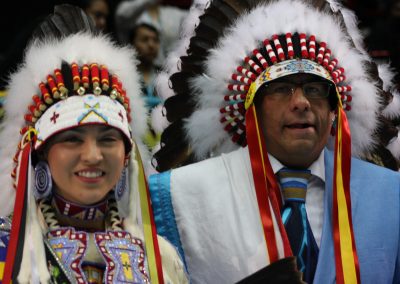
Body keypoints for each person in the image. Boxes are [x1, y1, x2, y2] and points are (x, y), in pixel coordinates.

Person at [148, 0, 400, 283]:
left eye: (315, 88)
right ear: (251, 109)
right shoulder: (183, 197)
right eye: (281, 88)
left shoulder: (390, 197)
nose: (301, 102)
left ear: (334, 111)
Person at [0, 5, 187, 284]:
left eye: (108, 138)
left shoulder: (159, 259)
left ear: (127, 153)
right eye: (72, 139)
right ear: (40, 152)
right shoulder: (8, 254)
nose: (93, 155)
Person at [115, 0, 188, 66]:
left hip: (165, 71)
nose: (151, 45)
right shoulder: (131, 11)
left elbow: (196, 17)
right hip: (135, 67)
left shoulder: (173, 13)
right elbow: (122, 15)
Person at [130, 22, 163, 149]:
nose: (151, 45)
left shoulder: (167, 76)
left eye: (155, 40)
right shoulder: (125, 75)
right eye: (144, 40)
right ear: (132, 45)